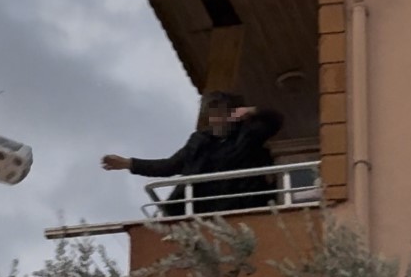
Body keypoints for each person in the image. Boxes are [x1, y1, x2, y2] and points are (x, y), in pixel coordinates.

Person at [102, 91, 284, 217]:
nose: (218, 119)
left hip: (242, 205)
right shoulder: (199, 141)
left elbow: (275, 119)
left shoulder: (249, 134)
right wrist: (129, 163)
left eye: (223, 113)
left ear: (233, 114)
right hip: (199, 209)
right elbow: (169, 166)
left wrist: (251, 110)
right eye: (212, 114)